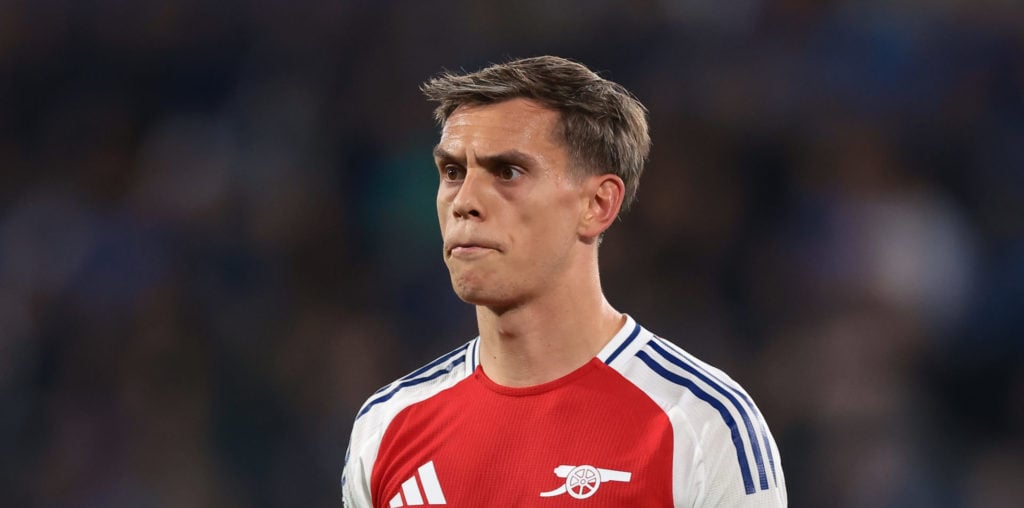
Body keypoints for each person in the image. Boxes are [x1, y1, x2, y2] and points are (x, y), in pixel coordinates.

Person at [342, 55, 787, 507]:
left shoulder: (700, 424)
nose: (465, 202)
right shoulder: (386, 426)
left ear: (597, 204)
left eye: (507, 172)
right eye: (453, 172)